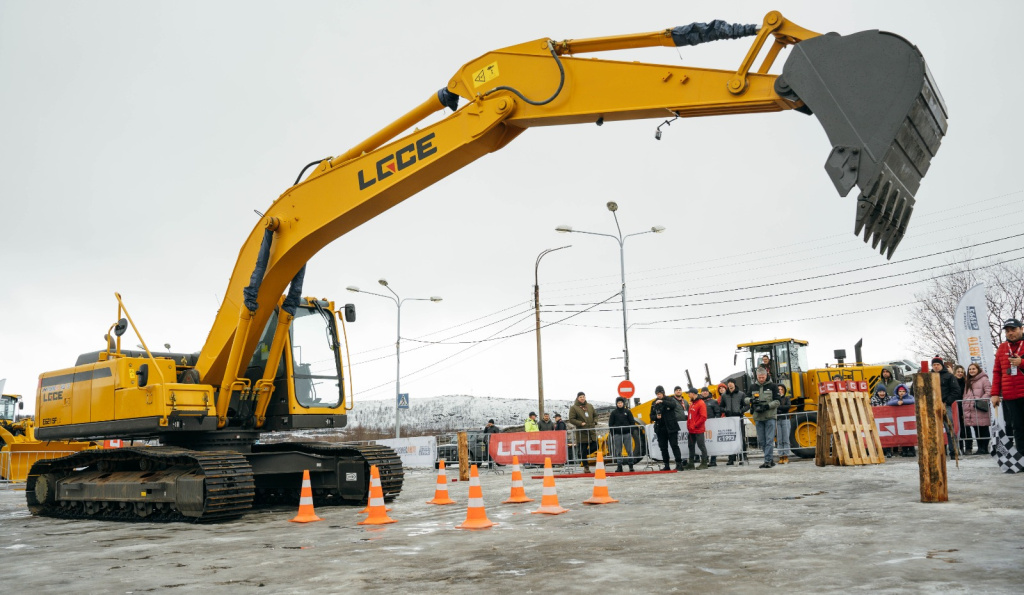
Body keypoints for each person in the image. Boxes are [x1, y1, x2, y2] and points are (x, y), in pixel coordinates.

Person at [992, 318, 1024, 452]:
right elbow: (997, 371)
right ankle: (1022, 457)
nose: (1010, 333)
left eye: (1013, 330)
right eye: (1008, 331)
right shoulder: (1002, 347)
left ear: (1021, 329)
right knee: (1017, 427)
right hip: (1010, 395)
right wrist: (994, 393)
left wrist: (1021, 363)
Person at [744, 368, 780, 469]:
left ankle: (767, 461)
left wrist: (767, 406)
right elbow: (745, 399)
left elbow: (777, 401)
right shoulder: (752, 386)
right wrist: (751, 400)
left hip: (770, 416)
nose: (761, 379)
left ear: (766, 375)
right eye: (759, 377)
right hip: (758, 417)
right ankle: (770, 459)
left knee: (769, 440)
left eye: (762, 377)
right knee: (762, 441)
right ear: (757, 376)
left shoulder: (773, 386)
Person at [932, 357, 962, 458]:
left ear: (941, 365)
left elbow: (956, 391)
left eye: (938, 364)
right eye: (934, 365)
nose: (936, 366)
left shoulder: (949, 376)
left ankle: (954, 452)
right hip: (932, 406)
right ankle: (937, 452)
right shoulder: (929, 376)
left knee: (950, 429)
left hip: (946, 405)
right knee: (933, 430)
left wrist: (946, 401)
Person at [651, 385, 685, 471]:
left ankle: (679, 464)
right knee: (663, 448)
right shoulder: (654, 403)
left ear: (663, 393)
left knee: (674, 445)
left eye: (660, 393)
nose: (659, 395)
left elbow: (673, 405)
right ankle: (666, 465)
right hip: (661, 428)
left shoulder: (669, 399)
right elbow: (651, 416)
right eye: (657, 394)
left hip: (671, 427)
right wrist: (656, 417)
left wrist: (662, 401)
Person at [962, 363, 992, 455]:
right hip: (971, 409)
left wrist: (980, 401)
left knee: (983, 428)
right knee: (976, 429)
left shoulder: (984, 379)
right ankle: (980, 448)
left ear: (978, 369)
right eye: (970, 369)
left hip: (980, 408)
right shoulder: (968, 381)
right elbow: (965, 394)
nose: (971, 371)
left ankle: (985, 448)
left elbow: (989, 391)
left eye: (973, 369)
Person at [607, 396, 639, 472]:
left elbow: (632, 422)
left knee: (629, 450)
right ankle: (619, 466)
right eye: (618, 403)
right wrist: (613, 434)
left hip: (627, 434)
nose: (620, 404)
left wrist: (630, 431)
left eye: (621, 402)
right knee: (618, 451)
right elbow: (610, 424)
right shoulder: (614, 413)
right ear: (616, 404)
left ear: (623, 403)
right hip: (617, 435)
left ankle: (631, 465)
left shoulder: (627, 412)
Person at [568, 392, 598, 473]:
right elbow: (571, 419)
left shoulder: (589, 406)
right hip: (582, 432)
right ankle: (586, 466)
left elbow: (595, 415)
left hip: (591, 431)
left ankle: (582, 455)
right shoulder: (574, 408)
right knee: (583, 449)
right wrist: (580, 423)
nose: (582, 398)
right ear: (578, 398)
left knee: (596, 446)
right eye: (580, 397)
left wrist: (595, 421)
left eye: (583, 397)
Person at [721, 379, 748, 465]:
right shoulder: (724, 395)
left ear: (734, 384)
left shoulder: (741, 394)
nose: (730, 385)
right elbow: (721, 407)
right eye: (728, 384)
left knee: (741, 438)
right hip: (729, 419)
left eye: (731, 383)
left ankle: (743, 456)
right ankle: (731, 458)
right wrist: (725, 410)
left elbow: (747, 405)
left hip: (738, 418)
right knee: (730, 438)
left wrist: (740, 411)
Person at [885, 384, 916, 456]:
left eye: (903, 391)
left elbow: (912, 400)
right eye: (900, 391)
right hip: (899, 419)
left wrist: (903, 402)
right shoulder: (894, 398)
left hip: (908, 419)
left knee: (910, 435)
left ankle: (911, 450)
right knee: (902, 435)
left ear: (906, 391)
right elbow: (889, 403)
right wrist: (897, 402)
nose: (901, 393)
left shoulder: (910, 397)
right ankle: (904, 450)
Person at [685, 387, 709, 470]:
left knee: (701, 445)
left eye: (689, 393)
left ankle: (704, 463)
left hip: (698, 429)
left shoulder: (701, 403)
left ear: (693, 393)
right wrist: (688, 425)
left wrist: (695, 425)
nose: (688, 395)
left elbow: (703, 417)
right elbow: (690, 416)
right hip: (691, 430)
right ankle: (691, 463)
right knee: (690, 446)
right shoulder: (692, 403)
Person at [705, 385, 726, 467]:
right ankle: (705, 459)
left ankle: (713, 460)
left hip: (712, 425)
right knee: (704, 443)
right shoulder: (700, 401)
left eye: (706, 391)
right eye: (703, 391)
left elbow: (717, 412)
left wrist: (716, 421)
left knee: (713, 443)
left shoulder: (713, 402)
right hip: (703, 426)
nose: (705, 392)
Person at [871, 385, 893, 457]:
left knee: (888, 435)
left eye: (883, 391)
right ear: (877, 392)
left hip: (888, 420)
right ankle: (881, 451)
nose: (882, 393)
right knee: (879, 436)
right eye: (880, 392)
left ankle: (888, 451)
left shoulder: (889, 398)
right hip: (878, 420)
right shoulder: (874, 399)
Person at [952, 364, 970, 454]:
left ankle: (968, 447)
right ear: (954, 372)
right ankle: (960, 447)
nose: (960, 374)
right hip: (955, 406)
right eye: (958, 372)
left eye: (962, 372)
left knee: (966, 427)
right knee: (957, 427)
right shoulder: (952, 381)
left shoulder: (966, 382)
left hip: (964, 406)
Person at [775, 384, 792, 464]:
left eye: (781, 389)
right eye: (778, 389)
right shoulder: (775, 399)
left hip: (785, 419)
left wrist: (779, 407)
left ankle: (786, 455)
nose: (780, 390)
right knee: (779, 439)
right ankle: (780, 455)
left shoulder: (786, 398)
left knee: (786, 438)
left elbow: (788, 407)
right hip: (777, 420)